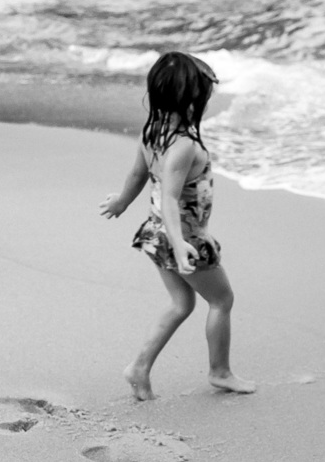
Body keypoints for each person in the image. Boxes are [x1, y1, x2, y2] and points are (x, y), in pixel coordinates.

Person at [101, 51, 255, 401]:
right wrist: (181, 244)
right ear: (192, 100)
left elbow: (138, 175)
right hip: (181, 239)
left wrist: (122, 202)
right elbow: (170, 198)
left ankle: (139, 367)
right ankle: (220, 372)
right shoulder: (184, 145)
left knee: (181, 304)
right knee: (222, 300)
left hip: (157, 234)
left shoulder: (153, 133)